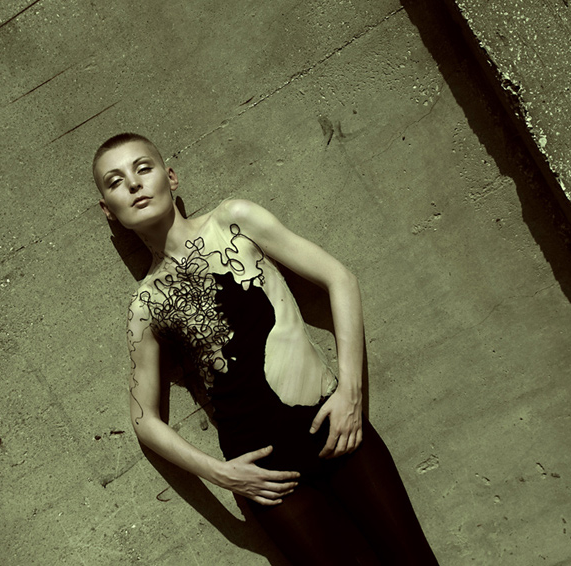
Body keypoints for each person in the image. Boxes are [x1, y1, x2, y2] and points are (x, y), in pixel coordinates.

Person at [93, 132, 438, 565]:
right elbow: (145, 421)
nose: (134, 184)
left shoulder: (233, 219)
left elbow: (339, 279)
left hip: (336, 427)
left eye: (143, 168)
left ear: (171, 176)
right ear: (109, 210)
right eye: (116, 181)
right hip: (265, 478)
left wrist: (351, 392)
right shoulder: (145, 304)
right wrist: (221, 473)